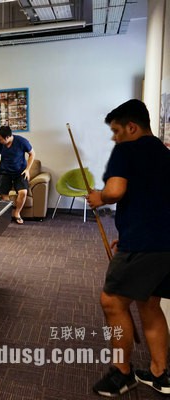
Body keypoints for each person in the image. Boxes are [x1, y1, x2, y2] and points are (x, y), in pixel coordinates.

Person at [87, 99, 170, 397]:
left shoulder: (126, 150)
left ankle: (122, 374)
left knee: (112, 302)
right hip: (163, 243)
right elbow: (154, 199)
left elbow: (115, 191)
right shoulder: (164, 152)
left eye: (116, 131)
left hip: (144, 244)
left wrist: (99, 197)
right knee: (149, 303)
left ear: (132, 127)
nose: (114, 138)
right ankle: (160, 373)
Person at [0, 125, 35, 224]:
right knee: (4, 194)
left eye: (0, 139)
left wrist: (27, 170)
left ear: (7, 137)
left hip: (20, 172)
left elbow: (32, 154)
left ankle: (17, 213)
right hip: (4, 172)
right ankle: (8, 214)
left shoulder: (22, 141)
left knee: (23, 192)